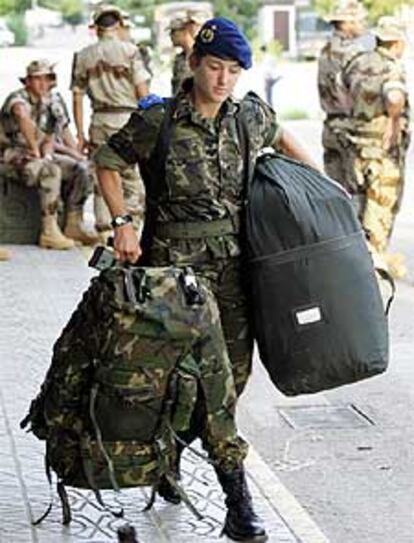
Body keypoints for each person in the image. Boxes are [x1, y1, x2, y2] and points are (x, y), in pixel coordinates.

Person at [94, 17, 318, 541]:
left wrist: (319, 188)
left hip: (235, 272)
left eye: (233, 71)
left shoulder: (247, 119)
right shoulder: (161, 121)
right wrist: (122, 222)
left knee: (233, 381)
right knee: (209, 383)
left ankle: (168, 457)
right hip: (174, 275)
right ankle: (239, 507)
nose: (222, 79)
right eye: (214, 67)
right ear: (194, 64)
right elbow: (106, 160)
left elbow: (283, 135)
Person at [71, 4, 150, 239]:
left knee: (102, 177)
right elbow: (143, 94)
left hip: (99, 120)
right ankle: (130, 232)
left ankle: (105, 231)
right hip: (128, 119)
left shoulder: (83, 56)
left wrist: (80, 133)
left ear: (96, 28)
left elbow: (77, 96)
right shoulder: (131, 52)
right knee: (130, 179)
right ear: (118, 25)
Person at [343, 16, 410, 278]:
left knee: (357, 211)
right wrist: (394, 117)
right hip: (381, 153)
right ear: (396, 41)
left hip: (355, 146)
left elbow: (344, 91)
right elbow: (394, 96)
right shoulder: (390, 66)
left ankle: (355, 268)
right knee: (379, 215)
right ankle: (373, 274)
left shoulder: (357, 61)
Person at [0, 60, 93, 250]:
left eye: (47, 79)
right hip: (10, 155)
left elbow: (57, 131)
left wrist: (73, 153)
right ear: (27, 82)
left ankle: (73, 223)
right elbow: (22, 116)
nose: (43, 84)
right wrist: (35, 149)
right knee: (50, 171)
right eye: (38, 79)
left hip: (39, 155)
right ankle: (49, 232)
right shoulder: (18, 99)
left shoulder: (51, 101)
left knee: (81, 169)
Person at [317, 0, 371, 189]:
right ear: (347, 23)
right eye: (360, 20)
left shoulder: (326, 50)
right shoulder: (354, 53)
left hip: (331, 127)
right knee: (356, 193)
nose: (363, 24)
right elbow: (363, 96)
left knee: (335, 192)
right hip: (350, 132)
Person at [47, 76, 98, 245]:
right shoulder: (22, 102)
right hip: (34, 152)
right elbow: (40, 138)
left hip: (56, 150)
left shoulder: (55, 100)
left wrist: (77, 151)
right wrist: (71, 152)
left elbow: (64, 128)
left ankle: (74, 221)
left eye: (49, 78)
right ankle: (56, 226)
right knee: (76, 168)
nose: (47, 82)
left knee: (86, 167)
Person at [169, 12, 202, 94]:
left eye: (173, 32)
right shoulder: (179, 59)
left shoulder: (202, 56)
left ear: (185, 31)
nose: (170, 36)